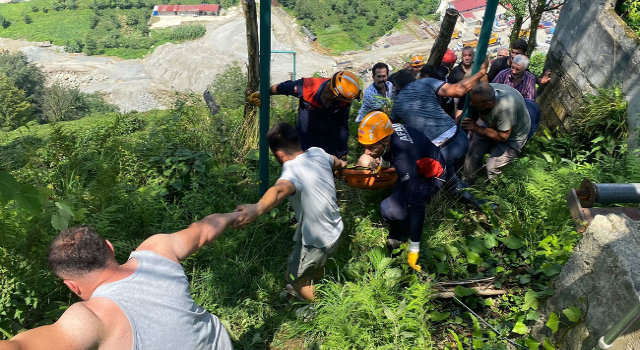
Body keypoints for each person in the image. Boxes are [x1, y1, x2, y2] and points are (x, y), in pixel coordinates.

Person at [0, 213, 241, 350]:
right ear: (109, 248)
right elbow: (204, 230)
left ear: (71, 286)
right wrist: (237, 214)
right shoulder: (158, 249)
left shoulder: (89, 319)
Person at [233, 123, 346, 301]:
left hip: (317, 241)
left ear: (279, 154)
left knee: (293, 279)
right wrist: (343, 165)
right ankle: (313, 283)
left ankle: (323, 307)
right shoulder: (318, 152)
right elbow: (337, 161)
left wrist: (257, 208)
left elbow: (279, 190)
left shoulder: (291, 169)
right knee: (314, 267)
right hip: (335, 229)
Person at [357, 111, 451, 271]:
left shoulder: (403, 159)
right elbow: (387, 152)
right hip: (417, 168)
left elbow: (417, 206)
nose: (367, 152)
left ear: (385, 140)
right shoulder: (389, 130)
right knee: (398, 196)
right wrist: (383, 167)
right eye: (364, 147)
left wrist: (414, 248)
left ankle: (402, 238)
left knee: (390, 209)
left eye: (371, 147)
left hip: (431, 177)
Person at [390, 57, 488, 174]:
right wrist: (481, 73)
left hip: (440, 151)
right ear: (414, 79)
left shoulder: (397, 103)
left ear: (399, 87)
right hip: (459, 138)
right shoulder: (426, 82)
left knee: (452, 186)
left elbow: (390, 130)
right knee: (469, 174)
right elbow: (458, 90)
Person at [249, 71, 361, 159]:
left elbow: (342, 126)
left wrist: (343, 153)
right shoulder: (307, 87)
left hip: (329, 141)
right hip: (305, 140)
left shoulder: (344, 99)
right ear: (336, 95)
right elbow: (282, 88)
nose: (347, 102)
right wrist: (262, 93)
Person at [461, 83, 531, 185]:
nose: (471, 104)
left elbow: (503, 136)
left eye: (475, 102)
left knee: (492, 167)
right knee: (473, 154)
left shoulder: (506, 108)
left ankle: (492, 191)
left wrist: (477, 128)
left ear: (488, 104)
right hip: (492, 124)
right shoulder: (486, 90)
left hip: (513, 137)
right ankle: (466, 184)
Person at [487, 39, 551, 85]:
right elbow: (488, 80)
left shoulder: (522, 66)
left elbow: (529, 76)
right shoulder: (499, 63)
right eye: (512, 52)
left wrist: (541, 81)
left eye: (517, 54)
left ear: (524, 54)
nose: (513, 56)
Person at [448, 46, 475, 118]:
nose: (467, 58)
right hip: (461, 105)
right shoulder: (455, 71)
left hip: (477, 104)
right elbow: (449, 89)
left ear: (473, 57)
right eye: (465, 55)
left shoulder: (478, 69)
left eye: (469, 55)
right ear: (462, 57)